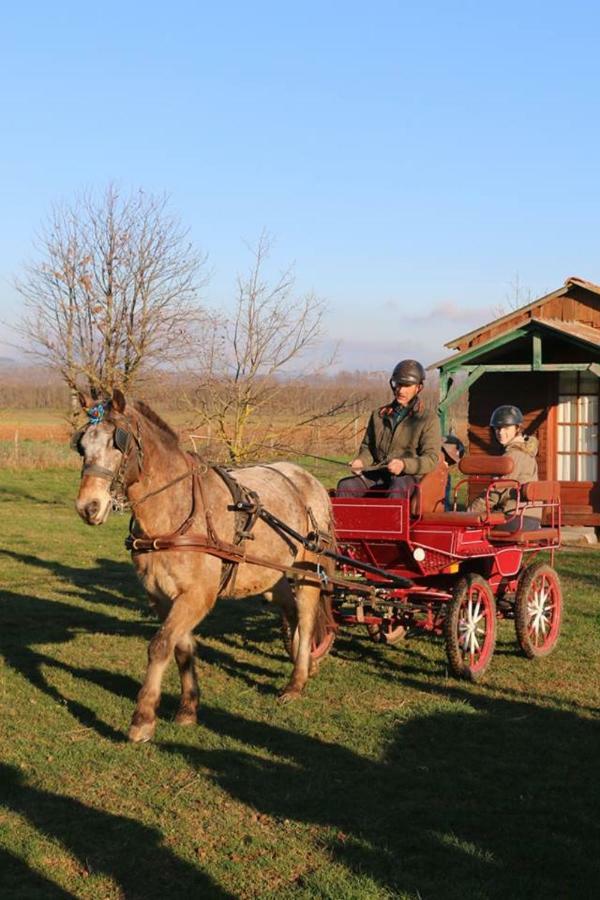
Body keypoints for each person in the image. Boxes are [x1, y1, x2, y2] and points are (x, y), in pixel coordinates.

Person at [336, 359, 441, 498]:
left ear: (419, 387)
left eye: (407, 385)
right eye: (398, 384)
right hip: (379, 474)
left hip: (408, 478)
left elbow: (431, 459)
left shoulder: (428, 419)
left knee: (397, 490)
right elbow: (368, 448)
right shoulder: (378, 415)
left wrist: (404, 464)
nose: (401, 390)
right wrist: (361, 461)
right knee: (346, 486)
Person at [468, 404, 541, 531]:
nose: (501, 433)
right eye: (497, 428)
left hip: (515, 518)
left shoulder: (512, 456)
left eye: (506, 428)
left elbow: (496, 492)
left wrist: (470, 512)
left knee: (472, 530)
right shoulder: (527, 453)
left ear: (517, 428)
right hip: (530, 518)